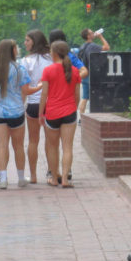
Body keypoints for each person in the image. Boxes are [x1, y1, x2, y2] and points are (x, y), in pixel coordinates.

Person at [0, 39, 40, 189]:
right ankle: (21, 178)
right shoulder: (19, 69)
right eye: (16, 47)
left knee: (1, 146)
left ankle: (3, 179)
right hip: (17, 112)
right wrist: (40, 86)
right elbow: (26, 91)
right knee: (18, 146)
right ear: (12, 50)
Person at [47, 29, 87, 183]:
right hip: (68, 108)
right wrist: (73, 77)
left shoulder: (52, 57)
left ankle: (54, 172)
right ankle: (65, 173)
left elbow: (83, 71)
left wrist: (69, 77)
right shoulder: (69, 56)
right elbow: (83, 71)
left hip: (52, 107)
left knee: (52, 144)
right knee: (66, 144)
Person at [38, 40, 80, 188]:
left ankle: (54, 178)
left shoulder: (48, 71)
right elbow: (77, 95)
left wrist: (40, 113)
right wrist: (73, 108)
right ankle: (66, 180)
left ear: (54, 53)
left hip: (52, 113)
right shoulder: (74, 71)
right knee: (67, 147)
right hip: (69, 113)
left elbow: (44, 94)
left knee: (52, 147)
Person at [21, 30, 53, 183]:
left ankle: (33, 176)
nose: (25, 43)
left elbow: (23, 87)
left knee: (33, 140)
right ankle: (51, 172)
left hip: (33, 104)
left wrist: (21, 104)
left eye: (27, 40)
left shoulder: (26, 61)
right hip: (50, 103)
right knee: (51, 140)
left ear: (34, 41)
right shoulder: (52, 59)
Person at [77, 28, 110, 117]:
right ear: (88, 36)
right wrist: (101, 37)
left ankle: (81, 117)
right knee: (96, 96)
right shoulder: (92, 46)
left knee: (85, 97)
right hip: (92, 74)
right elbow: (107, 47)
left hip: (84, 74)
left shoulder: (82, 46)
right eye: (91, 33)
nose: (93, 34)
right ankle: (96, 116)